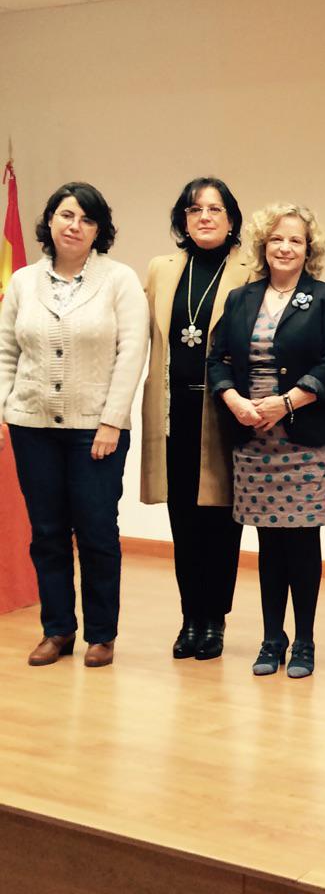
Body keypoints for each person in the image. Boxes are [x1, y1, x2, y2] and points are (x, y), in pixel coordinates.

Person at [0, 182, 147, 668]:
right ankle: (57, 629)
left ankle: (101, 634)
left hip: (95, 430)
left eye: (86, 219)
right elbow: (6, 352)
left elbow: (132, 354)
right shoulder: (24, 281)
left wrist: (112, 421)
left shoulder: (120, 280)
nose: (75, 226)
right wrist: (4, 409)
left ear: (99, 229)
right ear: (50, 221)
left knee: (97, 532)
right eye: (66, 215)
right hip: (32, 425)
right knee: (47, 532)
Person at [208, 203, 325, 679]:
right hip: (254, 439)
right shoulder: (240, 298)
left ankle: (305, 640)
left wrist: (287, 402)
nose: (285, 248)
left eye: (295, 240)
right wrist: (233, 400)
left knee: (303, 542)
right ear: (262, 246)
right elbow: (217, 360)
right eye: (276, 239)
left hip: (307, 440)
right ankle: (272, 638)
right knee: (268, 543)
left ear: (309, 250)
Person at [141, 177, 257, 661]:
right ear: (182, 220)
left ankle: (215, 619)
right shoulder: (162, 269)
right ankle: (190, 616)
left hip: (225, 411)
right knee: (183, 518)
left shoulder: (251, 268)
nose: (204, 217)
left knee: (221, 519)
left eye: (214, 209)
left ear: (231, 219)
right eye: (194, 210)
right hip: (174, 413)